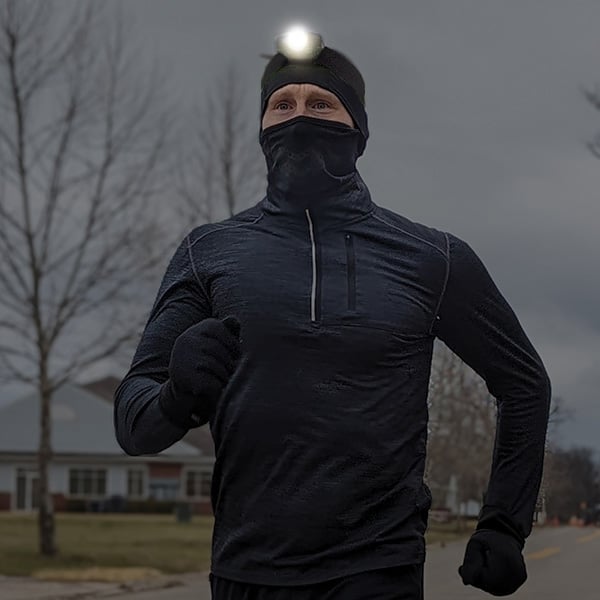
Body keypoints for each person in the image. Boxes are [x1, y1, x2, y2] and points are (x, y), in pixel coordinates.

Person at [114, 30, 551, 600]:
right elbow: (131, 419)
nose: (300, 116)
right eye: (282, 104)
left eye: (321, 103)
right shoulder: (209, 252)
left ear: (359, 130)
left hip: (378, 570)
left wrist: (504, 522)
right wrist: (175, 395)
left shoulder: (432, 258)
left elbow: (525, 384)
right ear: (262, 129)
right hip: (247, 572)